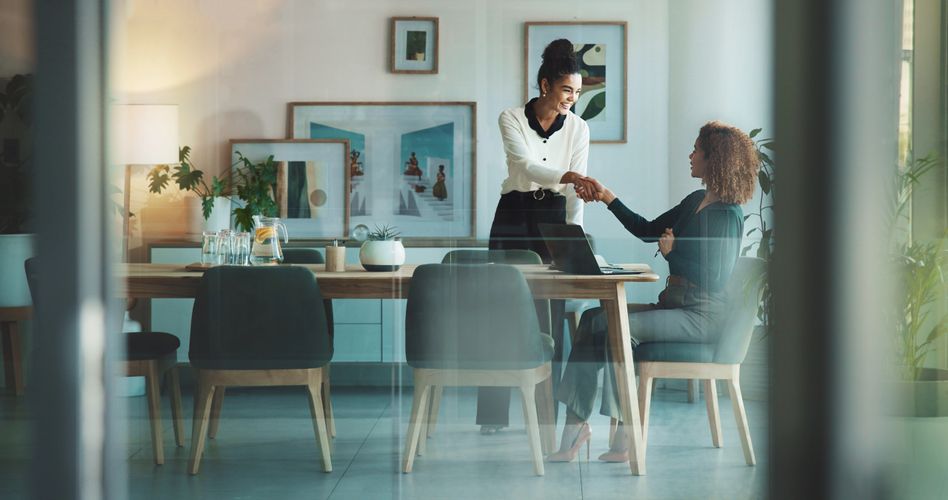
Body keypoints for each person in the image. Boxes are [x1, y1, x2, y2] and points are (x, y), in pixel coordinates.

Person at [549, 121, 759, 462]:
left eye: (697, 150)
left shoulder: (728, 215)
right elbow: (647, 231)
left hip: (701, 315)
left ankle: (623, 439)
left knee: (615, 327)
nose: (691, 155)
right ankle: (575, 432)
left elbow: (716, 279)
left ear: (714, 159)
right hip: (675, 305)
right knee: (591, 319)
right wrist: (606, 196)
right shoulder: (695, 200)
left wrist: (673, 253)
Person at [479, 38, 598, 434]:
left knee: (551, 315)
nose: (572, 99)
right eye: (567, 90)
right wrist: (566, 177)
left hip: (554, 218)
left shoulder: (579, 128)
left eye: (578, 93)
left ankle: (546, 414)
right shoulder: (510, 117)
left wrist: (574, 238)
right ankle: (493, 417)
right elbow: (524, 165)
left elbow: (576, 193)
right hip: (513, 215)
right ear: (545, 85)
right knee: (498, 311)